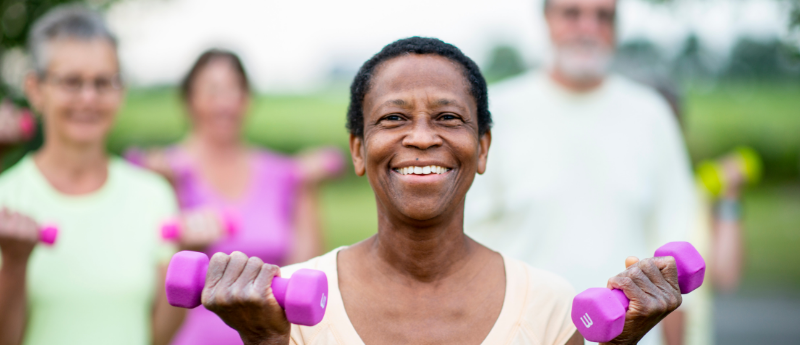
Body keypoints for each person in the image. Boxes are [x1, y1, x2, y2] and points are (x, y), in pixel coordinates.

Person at [186, 36, 685, 345]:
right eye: (394, 118)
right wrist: (269, 343)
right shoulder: (287, 307)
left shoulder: (550, 305)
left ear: (482, 147)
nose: (422, 137)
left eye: (448, 118)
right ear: (358, 150)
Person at [463, 1, 697, 345]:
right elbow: (466, 247)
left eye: (604, 16)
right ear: (546, 19)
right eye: (572, 14)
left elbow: (675, 255)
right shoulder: (495, 113)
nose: (589, 28)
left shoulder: (651, 116)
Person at [128, 49, 338, 345]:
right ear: (189, 101)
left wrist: (306, 189)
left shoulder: (283, 174)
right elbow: (146, 286)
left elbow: (301, 276)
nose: (225, 103)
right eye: (213, 91)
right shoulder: (162, 173)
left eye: (234, 90)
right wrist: (169, 191)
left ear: (247, 99)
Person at [0, 6, 182, 345]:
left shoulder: (154, 196)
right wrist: (14, 262)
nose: (88, 98)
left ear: (121, 91)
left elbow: (159, 336)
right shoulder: (6, 200)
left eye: (103, 83)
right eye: (71, 82)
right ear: (36, 89)